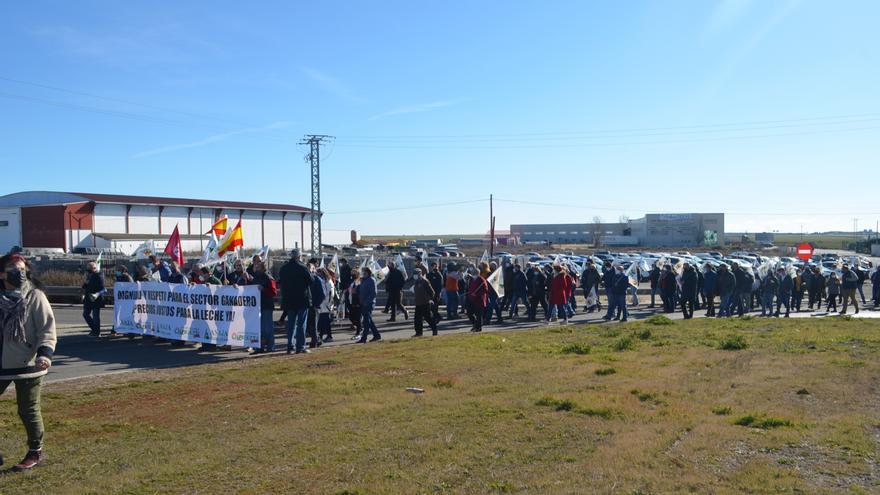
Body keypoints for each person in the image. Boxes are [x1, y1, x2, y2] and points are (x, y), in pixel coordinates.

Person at [0, 253, 57, 471]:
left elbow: (47, 328)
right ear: (2, 273)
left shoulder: (35, 296)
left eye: (22, 269)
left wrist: (45, 354)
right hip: (1, 362)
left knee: (28, 409)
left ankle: (35, 451)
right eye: (14, 269)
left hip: (29, 364)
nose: (19, 274)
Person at [279, 249, 313, 354]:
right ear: (299, 256)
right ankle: (300, 346)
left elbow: (281, 283)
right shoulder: (302, 267)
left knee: (291, 324)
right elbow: (311, 281)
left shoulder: (283, 269)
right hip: (302, 299)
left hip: (289, 299)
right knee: (301, 324)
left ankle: (290, 346)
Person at [251, 260, 277, 353]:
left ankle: (270, 347)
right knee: (259, 329)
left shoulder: (268, 278)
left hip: (266, 306)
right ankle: (259, 347)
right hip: (257, 306)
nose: (256, 268)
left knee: (268, 328)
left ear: (263, 268)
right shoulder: (256, 278)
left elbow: (274, 292)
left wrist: (264, 289)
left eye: (258, 267)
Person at [357, 266, 381, 343]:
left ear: (367, 272)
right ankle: (376, 335)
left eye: (363, 272)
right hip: (363, 303)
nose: (362, 273)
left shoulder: (371, 280)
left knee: (366, 322)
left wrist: (366, 302)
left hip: (368, 304)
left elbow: (373, 293)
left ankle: (364, 338)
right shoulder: (364, 280)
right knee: (369, 321)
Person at [81, 261, 105, 337]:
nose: (88, 270)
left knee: (95, 316)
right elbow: (85, 286)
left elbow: (101, 287)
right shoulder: (90, 275)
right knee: (85, 314)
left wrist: (89, 282)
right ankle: (94, 329)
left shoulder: (99, 275)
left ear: (94, 268)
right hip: (88, 299)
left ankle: (96, 332)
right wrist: (86, 282)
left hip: (96, 299)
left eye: (89, 269)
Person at [411, 268, 437, 337]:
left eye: (416, 274)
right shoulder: (416, 281)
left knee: (428, 318)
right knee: (417, 319)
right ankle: (419, 333)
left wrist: (430, 299)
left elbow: (432, 292)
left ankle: (434, 329)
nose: (414, 276)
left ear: (420, 274)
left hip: (425, 303)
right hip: (418, 303)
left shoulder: (425, 281)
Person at [466, 265, 489, 332]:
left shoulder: (482, 280)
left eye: (475, 273)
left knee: (479, 315)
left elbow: (485, 290)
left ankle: (478, 328)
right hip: (471, 299)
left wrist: (476, 294)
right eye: (473, 273)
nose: (473, 275)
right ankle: (474, 324)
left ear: (478, 273)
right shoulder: (471, 279)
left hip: (479, 300)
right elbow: (469, 288)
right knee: (469, 313)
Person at [316, 268, 336, 343]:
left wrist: (328, 304)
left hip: (326, 305)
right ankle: (326, 336)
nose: (318, 275)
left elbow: (331, 294)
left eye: (320, 273)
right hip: (323, 305)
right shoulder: (323, 281)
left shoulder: (328, 281)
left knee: (324, 321)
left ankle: (324, 336)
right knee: (324, 322)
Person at [348, 268, 362, 337]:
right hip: (351, 301)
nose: (352, 274)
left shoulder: (359, 281)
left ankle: (358, 332)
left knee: (357, 318)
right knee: (351, 317)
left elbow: (358, 292)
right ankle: (359, 327)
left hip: (356, 302)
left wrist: (358, 302)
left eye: (354, 273)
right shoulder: (352, 281)